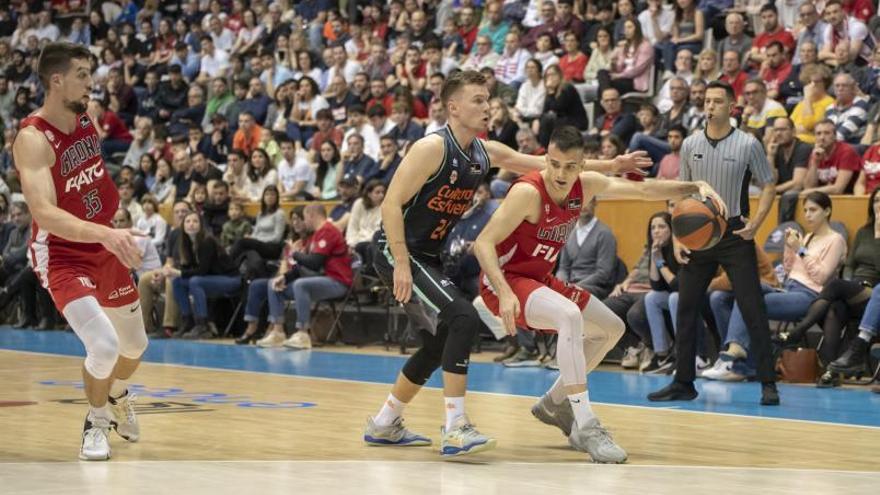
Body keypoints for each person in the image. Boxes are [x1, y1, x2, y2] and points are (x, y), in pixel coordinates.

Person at [364, 70, 650, 457]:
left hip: (426, 256)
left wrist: (612, 164)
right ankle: (456, 427)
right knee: (464, 318)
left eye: (488, 99)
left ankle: (385, 422)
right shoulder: (431, 148)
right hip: (396, 249)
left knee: (438, 344)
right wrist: (400, 262)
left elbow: (547, 162)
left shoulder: (486, 151)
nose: (487, 106)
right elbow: (390, 203)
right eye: (478, 100)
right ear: (453, 107)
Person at [474, 125, 719, 463]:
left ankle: (553, 403)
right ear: (546, 159)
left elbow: (646, 191)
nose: (560, 174)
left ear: (581, 165)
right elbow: (482, 243)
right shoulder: (527, 193)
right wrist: (503, 292)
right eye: (554, 164)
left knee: (612, 327)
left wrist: (694, 186)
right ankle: (587, 424)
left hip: (539, 279)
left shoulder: (585, 185)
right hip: (504, 281)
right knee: (569, 316)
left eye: (570, 166)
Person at [13, 42, 147, 461]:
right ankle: (96, 421)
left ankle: (118, 393)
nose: (93, 82)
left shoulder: (86, 116)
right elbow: (46, 213)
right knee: (104, 346)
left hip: (102, 240)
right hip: (63, 253)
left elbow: (89, 177)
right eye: (83, 74)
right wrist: (104, 234)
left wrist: (109, 227)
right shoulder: (32, 139)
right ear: (57, 80)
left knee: (136, 345)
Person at [647, 80, 781, 406]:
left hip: (735, 234)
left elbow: (768, 185)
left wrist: (757, 224)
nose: (710, 106)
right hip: (699, 237)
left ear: (732, 107)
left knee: (752, 308)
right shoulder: (691, 142)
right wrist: (679, 237)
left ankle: (768, 382)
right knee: (686, 306)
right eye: (706, 101)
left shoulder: (748, 144)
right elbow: (683, 193)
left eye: (717, 101)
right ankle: (683, 382)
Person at [167, 211, 239, 339]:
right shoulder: (186, 243)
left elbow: (202, 271)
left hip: (231, 279)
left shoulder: (207, 241)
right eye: (188, 221)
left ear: (201, 225)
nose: (191, 224)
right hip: (211, 279)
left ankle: (202, 325)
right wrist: (170, 272)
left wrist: (178, 272)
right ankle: (187, 321)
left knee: (195, 281)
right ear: (183, 226)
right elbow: (187, 268)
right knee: (177, 282)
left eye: (195, 221)